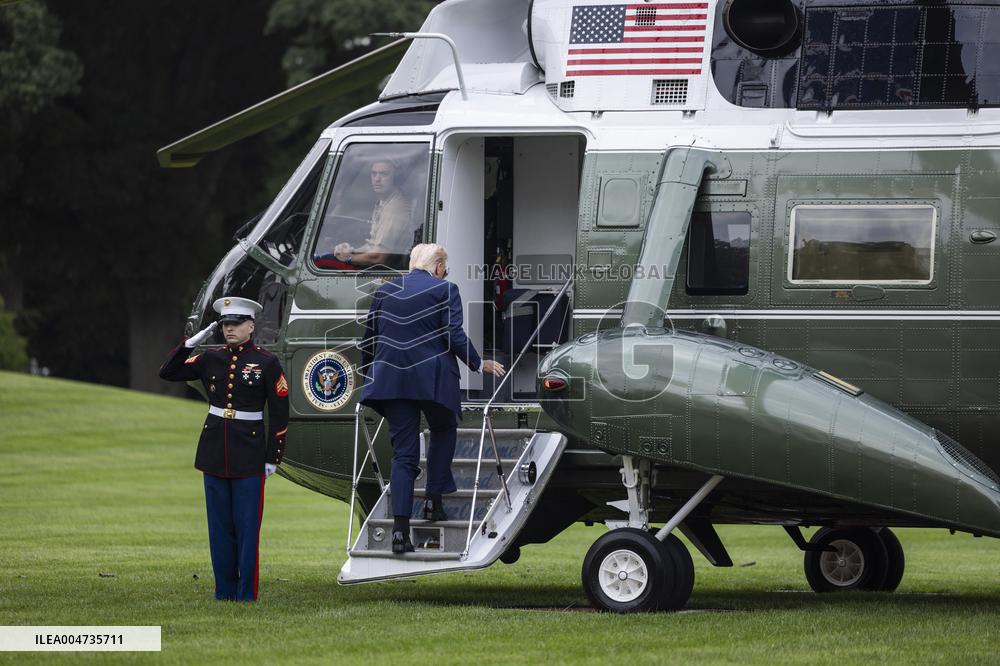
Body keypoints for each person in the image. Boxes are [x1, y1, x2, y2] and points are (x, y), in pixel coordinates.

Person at [359, 243, 505, 554]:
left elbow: (369, 338)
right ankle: (432, 502)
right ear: (438, 266)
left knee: (404, 455)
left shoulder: (384, 291)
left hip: (392, 382)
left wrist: (370, 374)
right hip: (432, 383)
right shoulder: (445, 290)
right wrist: (479, 364)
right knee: (443, 429)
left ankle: (400, 531)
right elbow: (453, 334)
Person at [158, 296, 289, 601]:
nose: (229, 329)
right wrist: (192, 342)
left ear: (251, 326)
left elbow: (280, 413)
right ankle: (224, 592)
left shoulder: (267, 362)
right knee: (219, 531)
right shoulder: (210, 358)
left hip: (250, 453)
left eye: (236, 323)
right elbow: (168, 371)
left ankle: (245, 594)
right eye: (226, 324)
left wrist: (273, 457)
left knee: (246, 530)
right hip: (215, 451)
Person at [332, 158, 413, 268]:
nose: (377, 179)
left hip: (386, 271)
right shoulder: (384, 201)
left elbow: (378, 257)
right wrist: (350, 251)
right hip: (381, 267)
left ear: (396, 178)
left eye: (383, 174)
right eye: (374, 174)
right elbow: (373, 245)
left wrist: (348, 258)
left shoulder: (394, 208)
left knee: (324, 261)